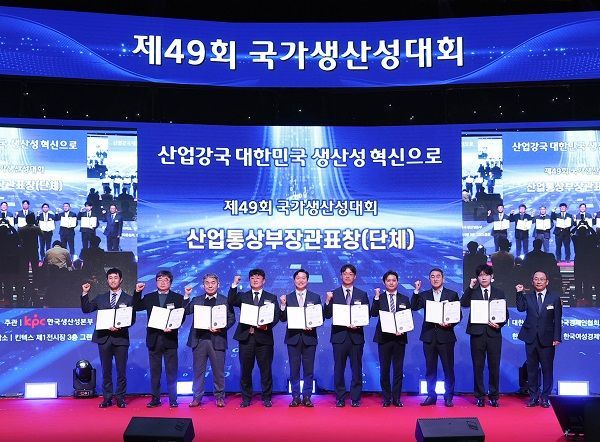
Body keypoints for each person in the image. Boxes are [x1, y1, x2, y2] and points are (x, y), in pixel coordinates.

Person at [81, 268, 142, 408]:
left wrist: (120, 326)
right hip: (104, 338)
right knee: (106, 370)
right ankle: (107, 398)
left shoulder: (129, 299)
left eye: (115, 277)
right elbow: (86, 309)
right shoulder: (100, 298)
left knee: (121, 371)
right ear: (107, 280)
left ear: (121, 280)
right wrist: (85, 293)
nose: (113, 280)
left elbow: (132, 319)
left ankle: (120, 398)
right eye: (110, 278)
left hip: (121, 339)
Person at [133, 270, 189, 408]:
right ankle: (155, 399)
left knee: (172, 371)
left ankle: (173, 399)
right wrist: (137, 292)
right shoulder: (149, 297)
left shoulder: (177, 298)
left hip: (170, 339)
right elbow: (136, 306)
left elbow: (182, 315)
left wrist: (173, 327)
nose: (163, 282)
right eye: (160, 279)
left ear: (170, 282)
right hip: (154, 339)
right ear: (156, 282)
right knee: (155, 372)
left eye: (166, 280)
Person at [228, 268, 279, 407]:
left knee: (266, 370)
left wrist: (266, 326)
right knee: (245, 370)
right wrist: (234, 284)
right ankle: (246, 398)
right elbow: (231, 301)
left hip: (264, 339)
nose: (255, 280)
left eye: (258, 277)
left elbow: (276, 316)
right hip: (246, 338)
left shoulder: (271, 297)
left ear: (264, 280)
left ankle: (266, 397)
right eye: (252, 278)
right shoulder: (243, 296)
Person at [411, 268, 461, 407]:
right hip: (429, 336)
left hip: (446, 336)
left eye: (438, 276)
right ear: (429, 279)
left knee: (448, 368)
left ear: (443, 279)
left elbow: (458, 315)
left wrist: (450, 323)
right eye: (432, 276)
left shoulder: (452, 294)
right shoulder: (424, 295)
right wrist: (416, 291)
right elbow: (414, 307)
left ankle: (448, 396)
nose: (435, 279)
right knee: (430, 369)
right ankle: (431, 396)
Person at [461, 264, 508, 407]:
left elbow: (505, 314)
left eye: (486, 275)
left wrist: (500, 324)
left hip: (494, 334)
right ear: (477, 278)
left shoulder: (499, 292)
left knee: (494, 366)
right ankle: (480, 396)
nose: (483, 277)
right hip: (477, 334)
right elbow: (463, 303)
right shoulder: (473, 292)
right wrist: (470, 287)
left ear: (491, 276)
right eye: (481, 275)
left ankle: (494, 396)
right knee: (478, 366)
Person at [323, 264, 370, 407]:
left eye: (350, 274)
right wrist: (327, 301)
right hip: (339, 336)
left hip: (356, 337)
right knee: (339, 368)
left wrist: (359, 324)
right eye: (345, 273)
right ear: (341, 276)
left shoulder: (362, 294)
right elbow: (327, 315)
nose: (347, 276)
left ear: (355, 277)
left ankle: (355, 398)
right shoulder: (334, 294)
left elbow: (366, 315)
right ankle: (340, 397)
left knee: (357, 369)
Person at [185, 273, 235, 408]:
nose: (210, 285)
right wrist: (186, 296)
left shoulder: (225, 300)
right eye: (207, 283)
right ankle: (197, 397)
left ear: (218, 284)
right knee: (198, 371)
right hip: (199, 340)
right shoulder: (196, 299)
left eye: (213, 282)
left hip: (217, 339)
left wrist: (221, 327)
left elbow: (232, 319)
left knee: (218, 371)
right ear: (203, 285)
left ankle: (219, 397)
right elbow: (186, 311)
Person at [516, 271, 562, 408]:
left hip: (547, 339)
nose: (539, 281)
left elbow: (557, 319)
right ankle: (533, 397)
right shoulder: (528, 296)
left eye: (542, 279)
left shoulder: (554, 297)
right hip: (530, 338)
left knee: (547, 369)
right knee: (532, 369)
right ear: (532, 281)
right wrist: (519, 293)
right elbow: (520, 308)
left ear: (547, 282)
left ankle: (545, 397)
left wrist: (557, 337)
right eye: (536, 279)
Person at [279, 269, 321, 407]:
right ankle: (295, 396)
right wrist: (283, 305)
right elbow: (283, 319)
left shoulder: (315, 297)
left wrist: (313, 325)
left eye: (303, 278)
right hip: (293, 338)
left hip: (309, 338)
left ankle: (307, 396)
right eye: (298, 278)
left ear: (307, 280)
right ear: (294, 280)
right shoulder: (288, 297)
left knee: (309, 369)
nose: (301, 280)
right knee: (294, 369)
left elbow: (319, 318)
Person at [370, 270, 410, 407]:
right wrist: (376, 298)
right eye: (388, 280)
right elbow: (373, 313)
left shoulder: (404, 299)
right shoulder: (379, 298)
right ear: (384, 282)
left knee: (398, 370)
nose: (391, 283)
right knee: (384, 369)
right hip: (384, 338)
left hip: (399, 338)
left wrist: (402, 329)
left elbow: (408, 318)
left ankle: (397, 398)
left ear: (397, 282)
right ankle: (386, 398)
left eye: (394, 280)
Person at [18, 213, 41, 286]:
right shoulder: (36, 228)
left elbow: (18, 239)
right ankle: (36, 284)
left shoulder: (21, 229)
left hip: (24, 250)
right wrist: (37, 224)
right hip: (34, 250)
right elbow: (42, 235)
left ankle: (25, 284)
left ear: (26, 220)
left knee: (24, 268)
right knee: (35, 268)